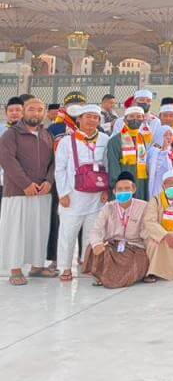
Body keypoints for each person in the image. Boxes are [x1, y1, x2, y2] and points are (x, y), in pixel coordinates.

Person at [0, 97, 56, 285]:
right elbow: (8, 161)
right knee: (15, 231)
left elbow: (53, 162)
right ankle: (15, 270)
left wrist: (49, 181)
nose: (36, 113)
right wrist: (25, 184)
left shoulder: (47, 134)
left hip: (42, 192)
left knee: (38, 230)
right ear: (23, 111)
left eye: (40, 110)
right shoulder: (11, 134)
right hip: (17, 192)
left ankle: (37, 266)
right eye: (32, 109)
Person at [54, 104, 110, 282]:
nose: (92, 120)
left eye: (96, 117)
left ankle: (89, 265)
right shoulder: (66, 141)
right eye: (88, 117)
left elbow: (107, 166)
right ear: (79, 119)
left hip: (96, 196)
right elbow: (59, 169)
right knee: (67, 233)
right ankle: (65, 268)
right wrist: (62, 193)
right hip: (73, 196)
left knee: (92, 233)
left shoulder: (104, 139)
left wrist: (106, 190)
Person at [82, 171, 149, 288]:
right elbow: (96, 230)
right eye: (120, 189)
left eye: (127, 188)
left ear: (133, 189)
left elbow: (147, 232)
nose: (123, 191)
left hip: (135, 247)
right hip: (113, 246)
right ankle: (105, 275)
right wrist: (97, 243)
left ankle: (110, 277)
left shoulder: (144, 206)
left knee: (139, 261)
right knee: (92, 248)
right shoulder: (108, 207)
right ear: (114, 191)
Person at [106, 106, 152, 201]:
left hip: (140, 183)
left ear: (143, 119)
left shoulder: (141, 138)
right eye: (131, 116)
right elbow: (113, 166)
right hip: (123, 185)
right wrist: (118, 186)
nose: (135, 119)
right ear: (125, 120)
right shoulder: (115, 140)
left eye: (139, 116)